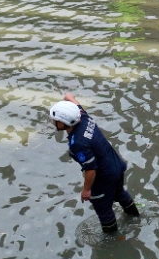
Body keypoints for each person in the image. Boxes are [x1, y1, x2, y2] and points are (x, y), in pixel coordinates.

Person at [50, 93, 139, 236]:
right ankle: (135, 216)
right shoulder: (83, 118)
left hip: (103, 176)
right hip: (116, 165)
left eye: (55, 119)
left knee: (103, 209)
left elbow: (91, 170)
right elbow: (74, 102)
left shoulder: (77, 143)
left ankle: (112, 241)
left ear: (63, 123)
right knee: (119, 193)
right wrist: (68, 97)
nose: (53, 121)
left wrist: (86, 190)